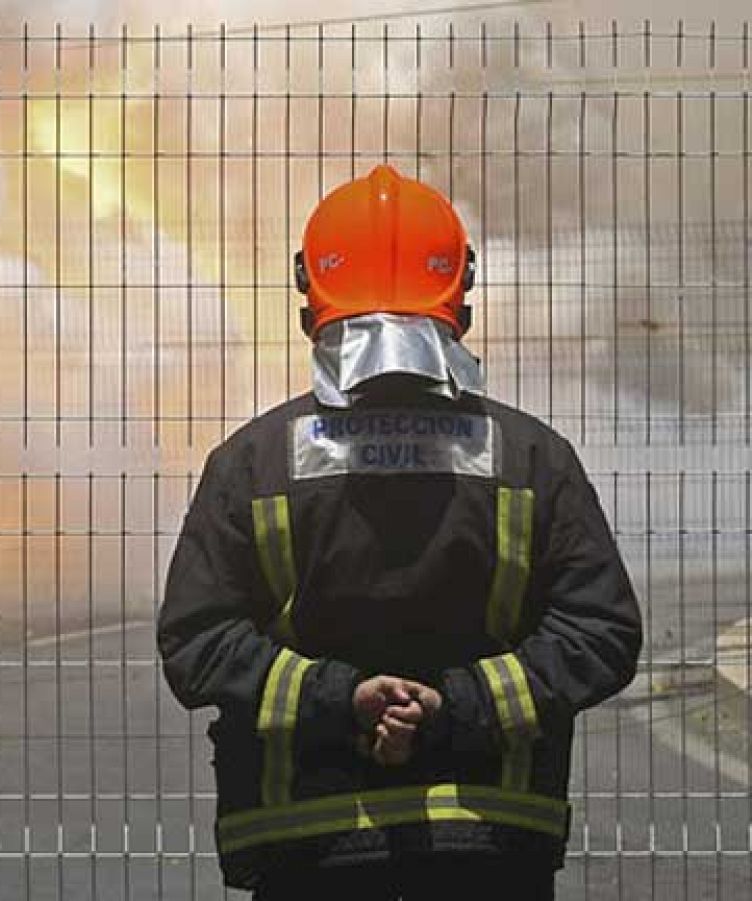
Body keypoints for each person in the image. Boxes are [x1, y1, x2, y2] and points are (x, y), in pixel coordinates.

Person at [156, 164, 642, 899]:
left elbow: (196, 642)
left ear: (307, 310)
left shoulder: (251, 465)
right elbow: (600, 631)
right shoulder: (531, 458)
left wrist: (340, 697)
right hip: (492, 841)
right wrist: (459, 706)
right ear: (463, 312)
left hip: (305, 844)